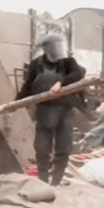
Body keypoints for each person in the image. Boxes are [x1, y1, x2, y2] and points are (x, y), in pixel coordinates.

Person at [16, 34, 84, 186]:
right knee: (42, 149)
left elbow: (77, 75)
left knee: (63, 148)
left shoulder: (68, 63)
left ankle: (56, 183)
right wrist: (15, 103)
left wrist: (61, 82)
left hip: (65, 111)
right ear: (46, 50)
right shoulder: (36, 65)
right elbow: (27, 87)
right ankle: (43, 181)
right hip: (44, 111)